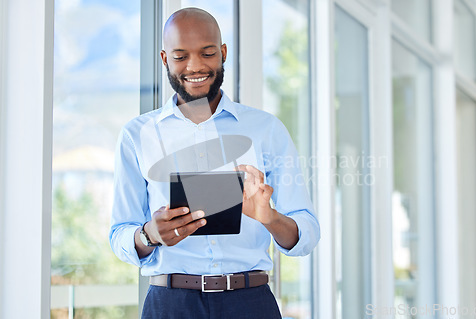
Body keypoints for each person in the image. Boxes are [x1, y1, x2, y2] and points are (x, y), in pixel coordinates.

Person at [110, 7, 320, 319]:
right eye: (180, 56)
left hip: (251, 303)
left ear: (222, 53)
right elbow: (119, 234)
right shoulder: (137, 135)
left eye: (207, 53)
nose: (195, 66)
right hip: (170, 305)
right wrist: (149, 234)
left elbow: (307, 232)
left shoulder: (265, 129)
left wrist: (270, 217)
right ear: (165, 59)